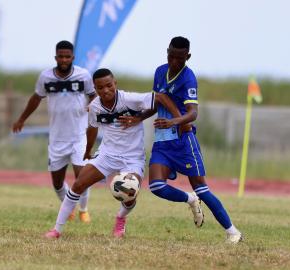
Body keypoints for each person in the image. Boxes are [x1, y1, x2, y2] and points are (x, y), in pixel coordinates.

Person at [44, 68, 202, 239]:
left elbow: (162, 98)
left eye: (109, 85)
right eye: (100, 88)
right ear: (95, 89)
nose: (106, 90)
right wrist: (88, 150)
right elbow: (92, 127)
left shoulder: (129, 99)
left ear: (115, 83)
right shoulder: (95, 106)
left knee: (129, 194)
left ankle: (120, 218)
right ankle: (57, 230)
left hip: (132, 158)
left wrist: (176, 121)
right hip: (107, 155)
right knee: (78, 185)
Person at [122, 36, 242, 243]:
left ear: (188, 56)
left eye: (180, 58)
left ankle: (233, 232)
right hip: (162, 142)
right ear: (166, 51)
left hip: (184, 141)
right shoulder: (160, 71)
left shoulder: (188, 78)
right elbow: (156, 103)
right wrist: (138, 118)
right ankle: (190, 199)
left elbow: (193, 113)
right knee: (156, 186)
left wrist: (174, 121)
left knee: (202, 189)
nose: (174, 61)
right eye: (171, 56)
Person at [12, 40, 97, 223]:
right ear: (56, 57)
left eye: (68, 56)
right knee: (57, 183)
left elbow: (93, 95)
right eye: (61, 56)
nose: (64, 60)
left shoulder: (83, 75)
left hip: (79, 136)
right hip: (58, 138)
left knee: (82, 177)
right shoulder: (46, 77)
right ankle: (70, 206)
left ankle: (84, 210)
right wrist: (21, 119)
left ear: (73, 57)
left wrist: (93, 108)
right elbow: (36, 98)